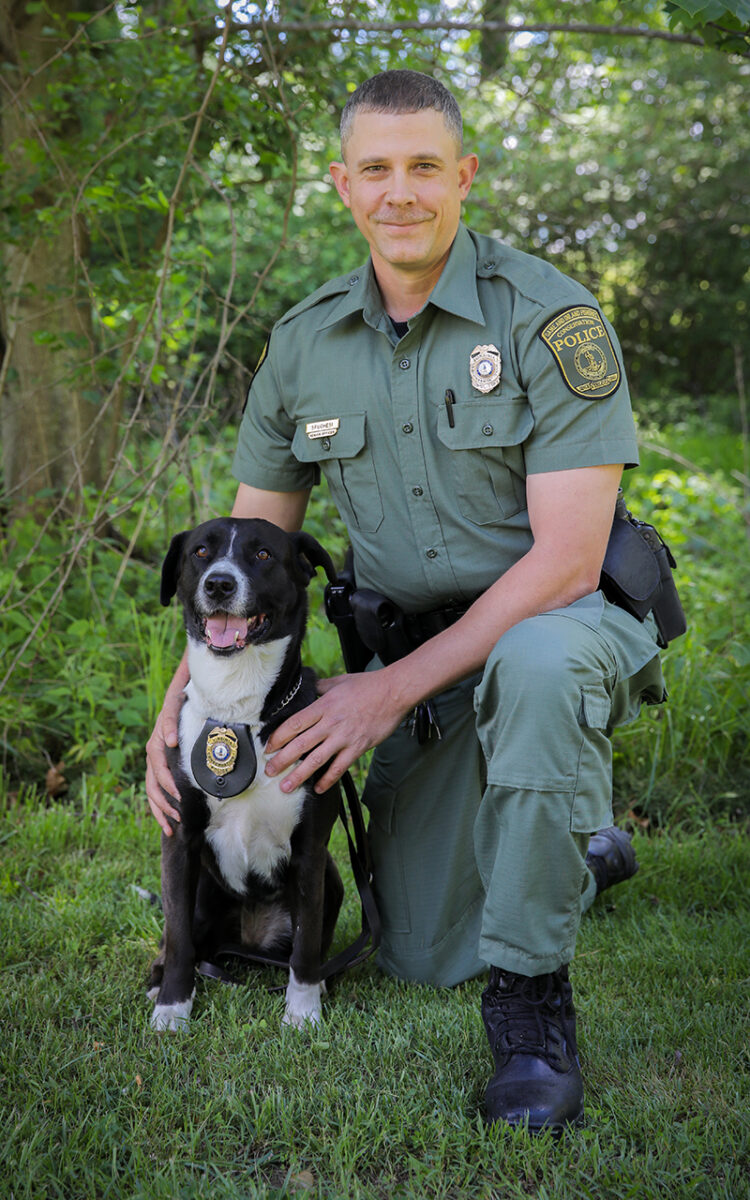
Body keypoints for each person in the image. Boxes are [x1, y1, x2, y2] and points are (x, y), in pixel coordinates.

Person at [146, 70, 665, 1133]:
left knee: (536, 667)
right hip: (417, 661)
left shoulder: (550, 316)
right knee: (421, 953)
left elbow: (566, 562)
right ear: (343, 185)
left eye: (425, 165)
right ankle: (577, 846)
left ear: (463, 175)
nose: (401, 191)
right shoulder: (304, 343)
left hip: (558, 627)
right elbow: (250, 551)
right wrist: (183, 710)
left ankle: (532, 1011)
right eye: (375, 168)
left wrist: (378, 700)